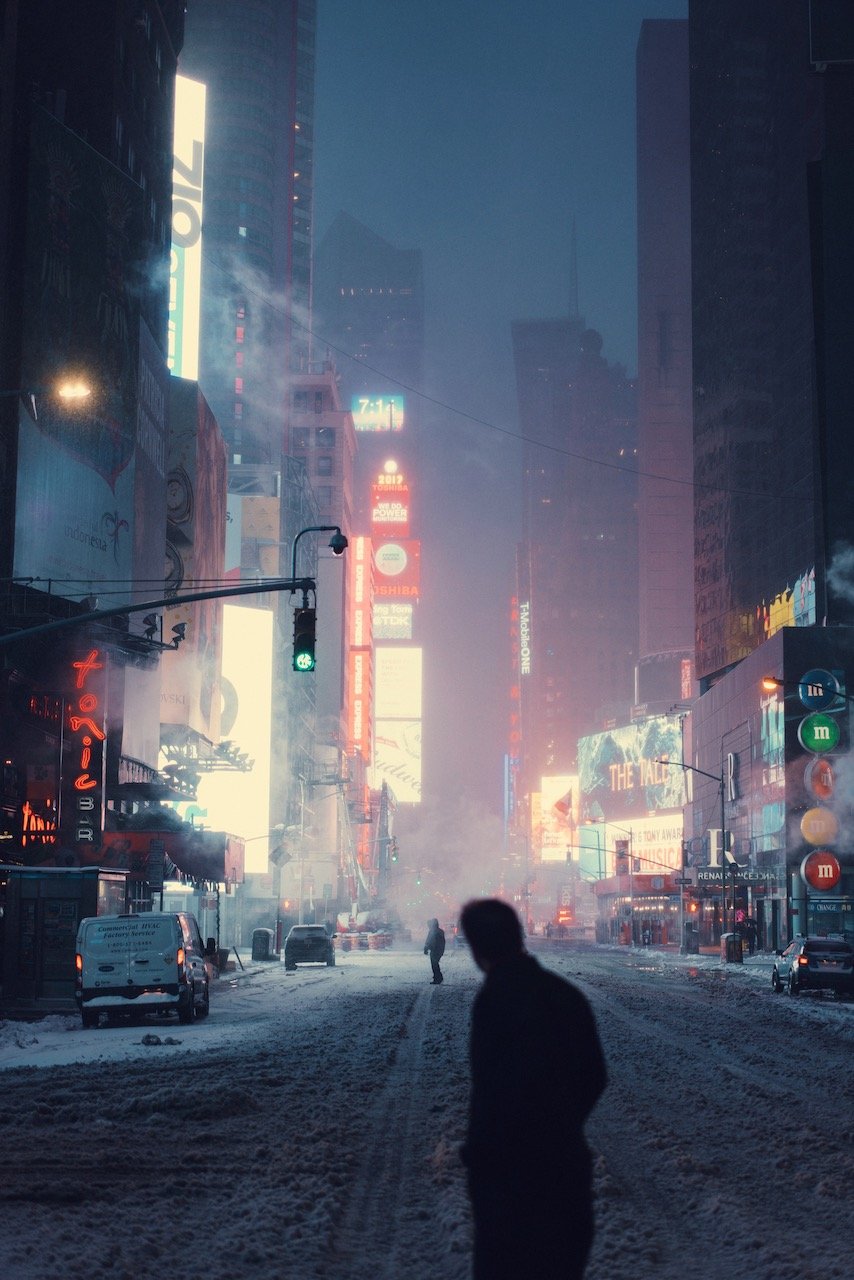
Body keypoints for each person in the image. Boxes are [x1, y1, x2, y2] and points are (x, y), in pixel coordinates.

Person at [459, 897, 607, 1280]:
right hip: (563, 1172)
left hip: (508, 1181)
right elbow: (594, 1075)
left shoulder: (494, 1001)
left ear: (477, 948)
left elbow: (492, 1092)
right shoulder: (564, 994)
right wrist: (561, 1123)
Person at [423, 917, 445, 984]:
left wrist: (426, 948)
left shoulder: (433, 932)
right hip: (439, 950)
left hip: (434, 950)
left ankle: (438, 978)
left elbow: (429, 941)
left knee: (434, 965)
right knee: (435, 964)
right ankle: (437, 977)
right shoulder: (440, 931)